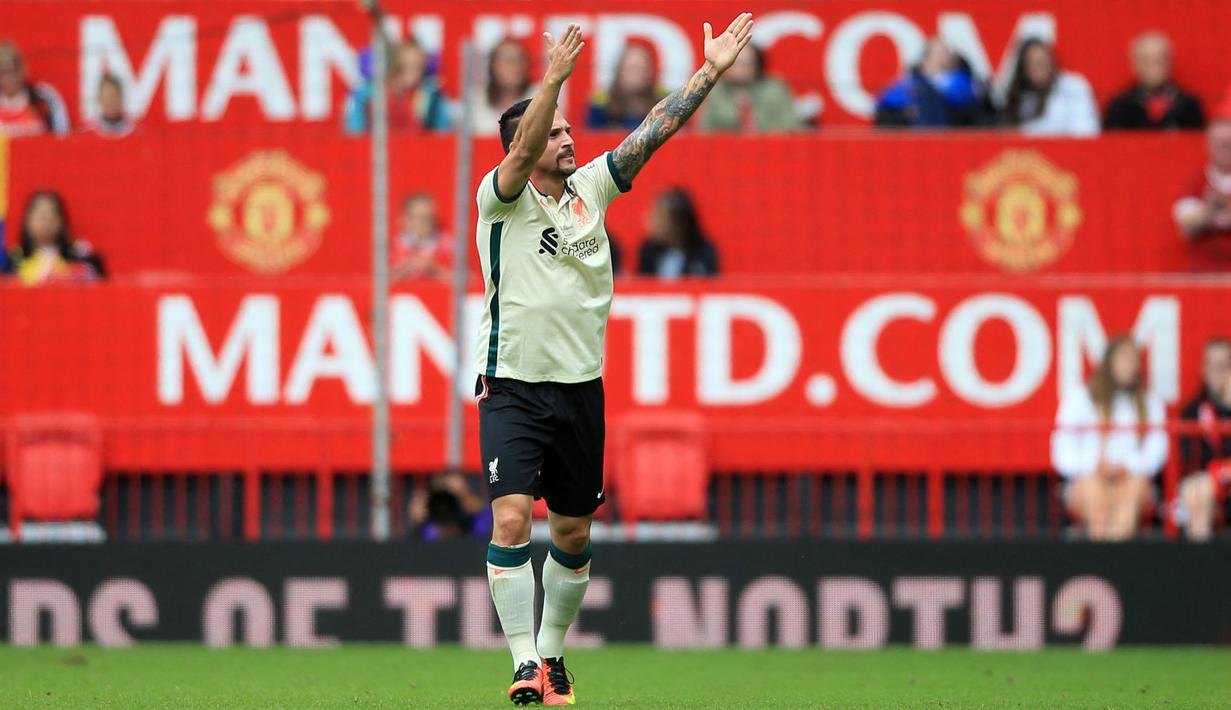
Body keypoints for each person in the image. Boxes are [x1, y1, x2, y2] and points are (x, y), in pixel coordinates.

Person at [473, 15, 753, 705]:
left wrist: (708, 71)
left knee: (570, 532)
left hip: (579, 392)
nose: (570, 139)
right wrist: (553, 78)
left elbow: (653, 129)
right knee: (511, 519)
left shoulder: (591, 190)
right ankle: (519, 664)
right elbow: (520, 152)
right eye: (556, 132)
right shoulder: (499, 200)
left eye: (570, 130)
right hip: (510, 387)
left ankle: (552, 655)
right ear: (525, 144)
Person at [1051, 336, 1168, 541]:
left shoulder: (1150, 402)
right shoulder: (1080, 397)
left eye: (1134, 360)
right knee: (1097, 501)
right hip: (1087, 477)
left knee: (1128, 502)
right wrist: (1093, 465)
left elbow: (1157, 449)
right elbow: (1062, 448)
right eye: (1124, 359)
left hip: (1133, 478)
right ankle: (1103, 562)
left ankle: (1113, 564)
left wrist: (1128, 465)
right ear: (1109, 362)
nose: (1130, 366)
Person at [1176, 338, 1231, 540]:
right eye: (1214, 366)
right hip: (1212, 482)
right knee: (1197, 492)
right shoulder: (1192, 411)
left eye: (1225, 365)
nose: (1221, 373)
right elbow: (1191, 461)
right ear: (1203, 369)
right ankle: (1200, 567)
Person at [875, 40, 994, 129]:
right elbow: (886, 104)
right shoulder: (907, 84)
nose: (943, 58)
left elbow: (974, 110)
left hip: (950, 131)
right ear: (924, 60)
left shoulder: (966, 84)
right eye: (938, 53)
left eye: (946, 53)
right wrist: (906, 112)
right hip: (911, 134)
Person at [344, 40, 451, 133]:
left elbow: (441, 134)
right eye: (405, 66)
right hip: (377, 153)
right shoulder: (367, 95)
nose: (413, 72)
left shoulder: (432, 97)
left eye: (418, 67)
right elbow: (355, 134)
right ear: (395, 66)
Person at [1104, 32, 1205, 131]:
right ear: (1134, 64)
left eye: (1159, 60)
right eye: (1146, 60)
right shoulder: (1120, 107)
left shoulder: (1188, 106)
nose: (1153, 66)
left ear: (1169, 62)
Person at [1003, 38, 1099, 137]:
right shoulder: (1020, 97)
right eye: (1031, 64)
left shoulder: (1073, 86)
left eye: (1042, 62)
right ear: (1023, 68)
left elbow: (1086, 132)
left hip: (1068, 150)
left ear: (1051, 61)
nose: (1037, 68)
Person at [1173, 106, 1231, 268]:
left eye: (1228, 144)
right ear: (1208, 144)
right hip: (1205, 272)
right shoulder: (1196, 181)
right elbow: (1187, 227)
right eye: (1219, 144)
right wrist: (1209, 211)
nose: (1224, 150)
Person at [4, 190, 104, 285]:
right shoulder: (13, 260)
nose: (47, 219)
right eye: (40, 214)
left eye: (52, 213)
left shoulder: (78, 255)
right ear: (26, 221)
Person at [698, 44, 803, 132]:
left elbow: (792, 127)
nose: (739, 69)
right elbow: (705, 129)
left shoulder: (775, 89)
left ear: (757, 65)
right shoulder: (718, 90)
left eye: (745, 64)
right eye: (734, 63)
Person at [636, 188, 719, 278]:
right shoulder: (649, 251)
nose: (652, 222)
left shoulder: (704, 252)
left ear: (678, 222)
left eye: (660, 217)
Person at [586, 42, 668, 129]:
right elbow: (592, 137)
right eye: (631, 68)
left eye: (640, 68)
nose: (635, 74)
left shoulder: (663, 102)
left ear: (649, 72)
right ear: (620, 72)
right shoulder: (601, 104)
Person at [0, 40, 69, 138]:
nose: (9, 77)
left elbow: (63, 139)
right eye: (3, 71)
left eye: (13, 69)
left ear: (22, 68)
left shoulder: (44, 98)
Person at [470, 39, 537, 137]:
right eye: (506, 60)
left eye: (519, 59)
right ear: (492, 65)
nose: (514, 65)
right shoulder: (477, 101)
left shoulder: (539, 97)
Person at [407, 468, 493, 540]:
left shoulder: (476, 519)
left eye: (452, 499)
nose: (446, 505)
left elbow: (483, 533)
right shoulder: (428, 528)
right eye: (441, 500)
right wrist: (416, 526)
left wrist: (469, 503)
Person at [391, 192, 452, 280]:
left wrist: (434, 270)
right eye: (420, 217)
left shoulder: (447, 246)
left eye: (429, 217)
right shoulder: (392, 246)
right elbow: (375, 281)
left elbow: (469, 281)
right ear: (405, 219)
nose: (425, 222)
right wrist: (405, 268)